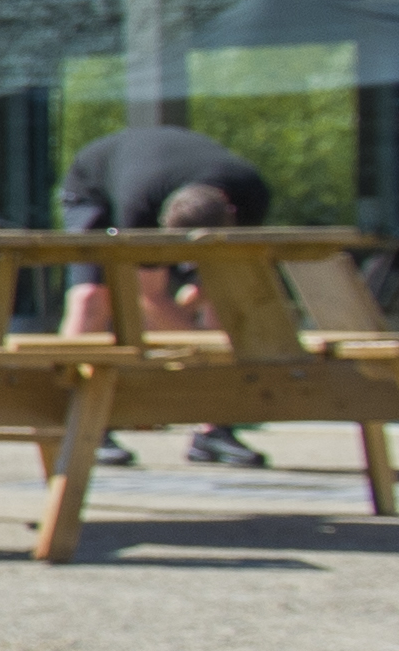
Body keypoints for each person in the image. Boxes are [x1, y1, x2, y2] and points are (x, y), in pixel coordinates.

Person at [60, 124, 272, 465]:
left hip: (169, 174)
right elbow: (148, 298)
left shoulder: (251, 192)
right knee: (92, 297)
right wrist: (206, 350)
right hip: (95, 186)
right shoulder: (139, 208)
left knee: (223, 292)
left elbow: (212, 288)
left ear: (230, 213)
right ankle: (81, 423)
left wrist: (197, 338)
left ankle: (215, 428)